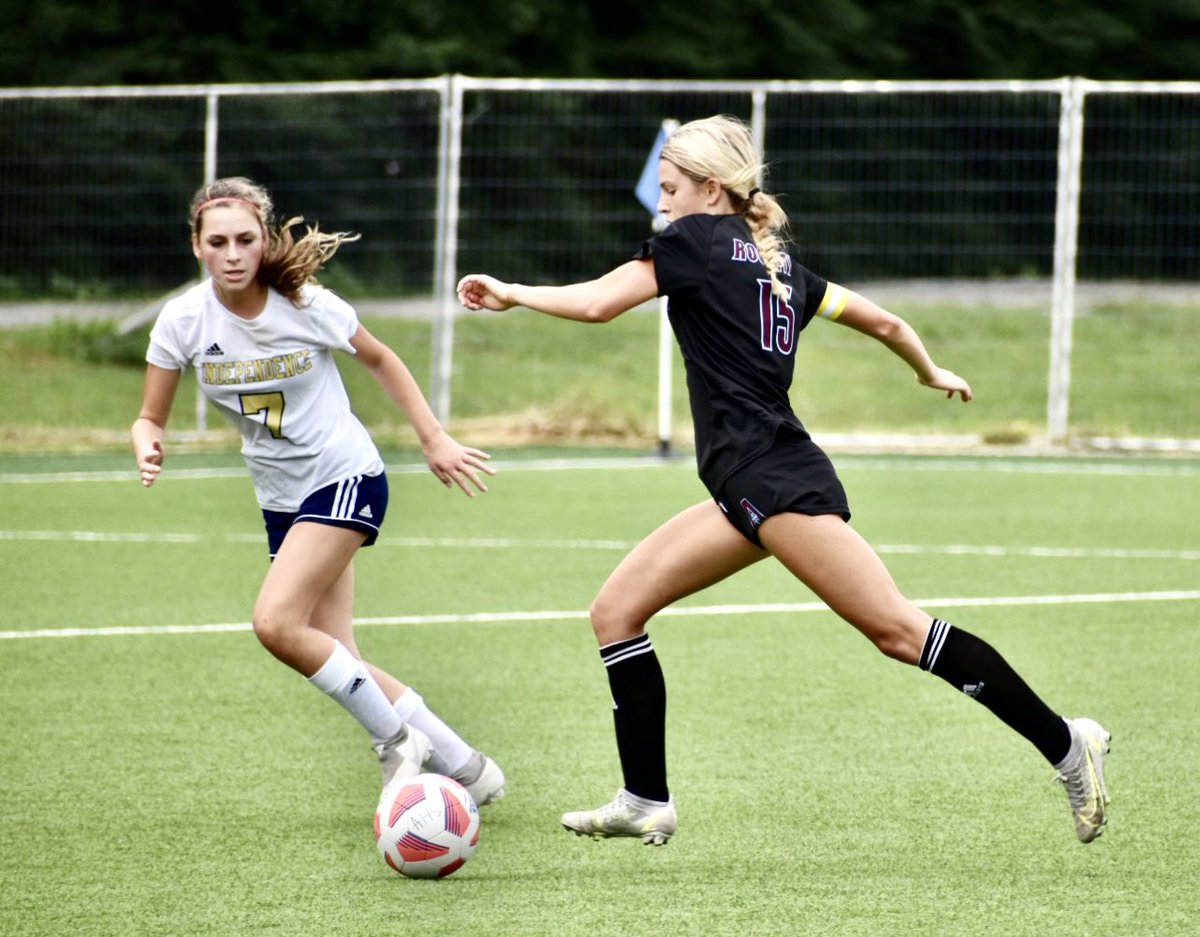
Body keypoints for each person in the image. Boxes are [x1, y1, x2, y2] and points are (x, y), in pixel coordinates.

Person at [457, 115, 1111, 845]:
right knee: (617, 610)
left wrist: (511, 291)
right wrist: (930, 370)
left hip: (773, 483)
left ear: (711, 190)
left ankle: (1065, 742)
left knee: (898, 629)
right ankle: (645, 797)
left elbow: (598, 303)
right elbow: (888, 323)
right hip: (745, 485)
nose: (662, 203)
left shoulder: (694, 243)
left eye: (671, 189)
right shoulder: (780, 268)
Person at [133, 176, 505, 807]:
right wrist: (147, 439)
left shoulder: (304, 302)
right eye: (217, 241)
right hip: (280, 498)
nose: (232, 253)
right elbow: (150, 415)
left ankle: (397, 745)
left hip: (345, 475)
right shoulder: (182, 321)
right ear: (195, 245)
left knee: (276, 623)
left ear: (264, 241)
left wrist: (434, 438)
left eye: (244, 240)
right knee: (342, 656)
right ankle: (470, 768)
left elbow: (382, 359)